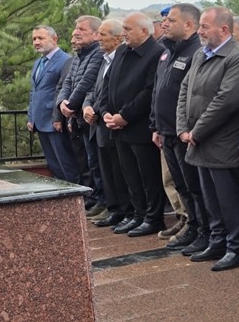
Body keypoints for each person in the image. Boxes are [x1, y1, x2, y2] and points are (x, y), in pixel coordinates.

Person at [176, 7, 239, 270]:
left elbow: (226, 101)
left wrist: (196, 131)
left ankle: (236, 247)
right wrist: (182, 128)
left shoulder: (237, 57)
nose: (200, 31)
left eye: (205, 26)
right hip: (198, 140)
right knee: (210, 197)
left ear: (224, 29)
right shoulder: (200, 54)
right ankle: (217, 240)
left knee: (228, 198)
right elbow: (185, 89)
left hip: (221, 142)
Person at [98, 13, 166, 237]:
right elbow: (109, 85)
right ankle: (137, 215)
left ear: (144, 31)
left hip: (139, 126)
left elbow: (149, 92)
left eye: (128, 29)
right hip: (117, 126)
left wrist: (124, 116)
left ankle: (152, 218)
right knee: (130, 176)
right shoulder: (121, 52)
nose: (123, 33)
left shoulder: (156, 54)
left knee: (148, 176)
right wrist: (107, 112)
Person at [153, 3, 207, 253]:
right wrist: (156, 125)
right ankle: (194, 227)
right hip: (166, 131)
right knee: (182, 185)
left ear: (188, 24)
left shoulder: (196, 51)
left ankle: (204, 231)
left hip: (185, 132)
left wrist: (185, 128)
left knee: (195, 186)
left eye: (171, 20)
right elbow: (158, 90)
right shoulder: (167, 52)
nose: (165, 24)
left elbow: (193, 95)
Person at [84, 19, 132, 228]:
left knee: (120, 173)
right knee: (107, 172)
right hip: (100, 124)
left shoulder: (121, 58)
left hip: (114, 124)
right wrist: (89, 107)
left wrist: (103, 112)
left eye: (103, 35)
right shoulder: (105, 59)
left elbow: (117, 93)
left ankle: (125, 211)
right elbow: (95, 90)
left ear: (117, 37)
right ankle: (114, 209)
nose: (98, 39)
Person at [56, 16, 103, 209]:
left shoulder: (98, 53)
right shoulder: (79, 56)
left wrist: (71, 105)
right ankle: (93, 199)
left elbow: (87, 82)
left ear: (96, 33)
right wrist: (62, 104)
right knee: (86, 163)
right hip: (76, 116)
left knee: (95, 164)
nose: (76, 32)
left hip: (88, 116)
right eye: (76, 28)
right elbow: (68, 82)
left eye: (82, 29)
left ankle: (101, 201)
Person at [28, 25, 80, 184]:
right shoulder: (38, 63)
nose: (36, 42)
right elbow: (34, 92)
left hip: (55, 122)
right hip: (39, 122)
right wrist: (31, 117)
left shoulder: (65, 60)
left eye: (41, 38)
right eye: (34, 39)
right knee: (53, 164)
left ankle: (74, 197)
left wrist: (57, 118)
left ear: (54, 39)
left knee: (66, 163)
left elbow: (64, 90)